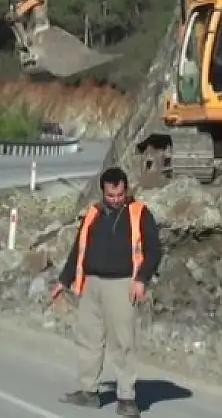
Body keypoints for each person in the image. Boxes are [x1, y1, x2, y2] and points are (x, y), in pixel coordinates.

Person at [50, 166, 163, 418]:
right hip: (91, 283)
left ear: (126, 190)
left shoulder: (140, 213)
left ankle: (126, 398)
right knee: (89, 338)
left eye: (119, 195)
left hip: (123, 284)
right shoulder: (93, 213)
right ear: (103, 192)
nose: (115, 200)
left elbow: (154, 250)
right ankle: (88, 391)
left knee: (123, 342)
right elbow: (78, 248)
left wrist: (142, 279)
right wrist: (63, 281)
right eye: (110, 196)